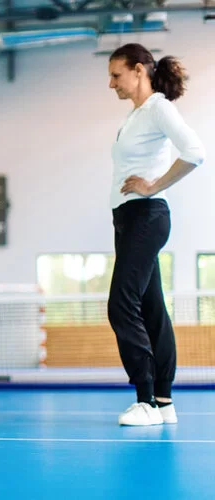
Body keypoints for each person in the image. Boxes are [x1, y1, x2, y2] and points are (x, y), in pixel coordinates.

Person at [106, 44, 205, 426]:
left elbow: (194, 152)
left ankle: (144, 399)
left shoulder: (158, 107)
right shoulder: (137, 115)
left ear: (138, 71)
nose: (111, 83)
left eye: (116, 75)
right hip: (128, 220)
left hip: (146, 216)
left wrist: (154, 186)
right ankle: (163, 402)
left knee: (121, 304)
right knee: (152, 311)